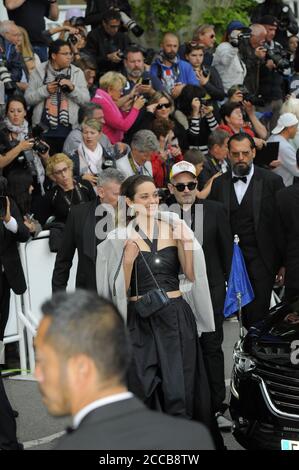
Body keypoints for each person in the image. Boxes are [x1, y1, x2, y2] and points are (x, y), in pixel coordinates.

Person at [96, 175, 222, 445]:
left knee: (181, 388)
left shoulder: (175, 228)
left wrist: (185, 243)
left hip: (175, 316)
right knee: (143, 385)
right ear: (129, 202)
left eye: (154, 195)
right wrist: (127, 261)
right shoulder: (117, 239)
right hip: (139, 321)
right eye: (144, 196)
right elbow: (118, 292)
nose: (152, 201)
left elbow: (190, 276)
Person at [35, 290, 215, 450]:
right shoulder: (194, 437)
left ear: (82, 367)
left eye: (43, 362)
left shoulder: (74, 446)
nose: (37, 374)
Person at [164, 161, 233, 430]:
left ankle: (216, 408)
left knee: (212, 348)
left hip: (211, 289)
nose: (186, 190)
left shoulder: (215, 210)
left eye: (191, 184)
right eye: (180, 186)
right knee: (180, 350)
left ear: (197, 185)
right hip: (175, 292)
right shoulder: (161, 215)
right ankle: (186, 409)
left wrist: (229, 292)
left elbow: (227, 252)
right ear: (171, 188)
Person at [209, 132, 285, 329]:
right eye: (235, 154)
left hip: (263, 258)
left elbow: (282, 223)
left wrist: (283, 263)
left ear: (253, 152)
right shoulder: (218, 184)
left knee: (259, 312)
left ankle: (256, 355)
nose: (240, 158)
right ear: (228, 154)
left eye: (244, 153)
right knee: (242, 313)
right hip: (231, 260)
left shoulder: (271, 181)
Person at [52, 168, 125, 292]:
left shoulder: (132, 214)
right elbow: (63, 261)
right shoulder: (78, 214)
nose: (122, 199)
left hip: (125, 293)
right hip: (90, 294)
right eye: (117, 194)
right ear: (101, 192)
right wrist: (59, 300)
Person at [0, 175, 30, 450]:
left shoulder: (6, 204)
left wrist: (9, 221)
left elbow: (24, 234)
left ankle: (4, 411)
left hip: (4, 283)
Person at [25, 39, 90, 154]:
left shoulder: (77, 72)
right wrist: (45, 90)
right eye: (65, 54)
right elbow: (28, 99)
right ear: (54, 55)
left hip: (69, 131)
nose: (70, 57)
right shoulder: (39, 71)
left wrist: (72, 89)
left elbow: (86, 100)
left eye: (70, 53)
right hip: (43, 131)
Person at [92, 71, 145, 144]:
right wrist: (135, 109)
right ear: (110, 89)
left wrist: (124, 111)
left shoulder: (103, 98)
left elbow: (117, 121)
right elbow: (123, 126)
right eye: (120, 90)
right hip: (106, 144)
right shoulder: (102, 102)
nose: (122, 93)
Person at [42, 153, 96, 226]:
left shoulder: (85, 185)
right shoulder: (51, 196)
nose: (63, 175)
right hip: (67, 233)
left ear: (70, 168)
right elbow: (47, 222)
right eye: (58, 172)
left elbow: (96, 208)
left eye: (65, 169)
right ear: (53, 177)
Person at [69, 118, 117, 186]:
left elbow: (113, 176)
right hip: (83, 191)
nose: (88, 136)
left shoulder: (108, 155)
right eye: (85, 132)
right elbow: (66, 179)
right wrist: (81, 178)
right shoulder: (73, 156)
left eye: (92, 133)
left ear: (100, 134)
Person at [150, 33, 199, 98]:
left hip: (183, 105)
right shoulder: (154, 67)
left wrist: (183, 87)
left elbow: (196, 89)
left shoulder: (186, 66)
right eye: (169, 46)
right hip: (163, 106)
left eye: (175, 46)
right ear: (162, 46)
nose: (172, 49)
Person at [84, 9, 130, 77]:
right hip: (100, 74)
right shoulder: (93, 36)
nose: (115, 29)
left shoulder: (122, 37)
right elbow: (89, 59)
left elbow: (129, 54)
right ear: (104, 23)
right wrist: (107, 57)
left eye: (117, 26)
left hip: (119, 74)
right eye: (112, 26)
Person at [276, 184, 299, 301]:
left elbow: (278, 235)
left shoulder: (283, 195)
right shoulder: (283, 195)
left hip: (293, 269)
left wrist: (282, 265)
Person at [212, 21, 248, 94]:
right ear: (230, 35)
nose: (242, 36)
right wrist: (235, 44)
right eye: (239, 33)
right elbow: (225, 60)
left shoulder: (235, 49)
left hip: (235, 94)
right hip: (226, 95)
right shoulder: (223, 46)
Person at [267, 112, 299, 186]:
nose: (296, 130)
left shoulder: (273, 138)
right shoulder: (284, 147)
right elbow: (297, 171)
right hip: (282, 187)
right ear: (289, 128)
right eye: (295, 127)